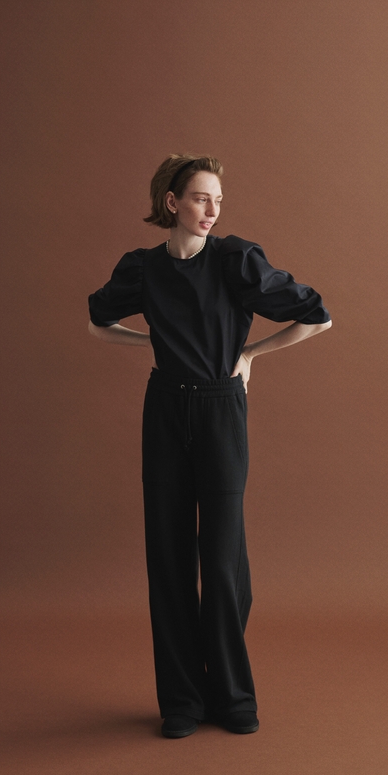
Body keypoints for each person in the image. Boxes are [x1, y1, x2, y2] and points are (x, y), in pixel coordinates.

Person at [88, 154, 331, 739]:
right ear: (172, 202)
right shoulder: (144, 268)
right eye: (201, 198)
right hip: (165, 411)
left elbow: (317, 317)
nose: (212, 209)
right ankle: (181, 700)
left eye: (218, 200)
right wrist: (153, 343)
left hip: (222, 409)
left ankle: (230, 694)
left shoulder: (234, 260)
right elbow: (97, 322)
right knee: (168, 558)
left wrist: (250, 355)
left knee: (222, 562)